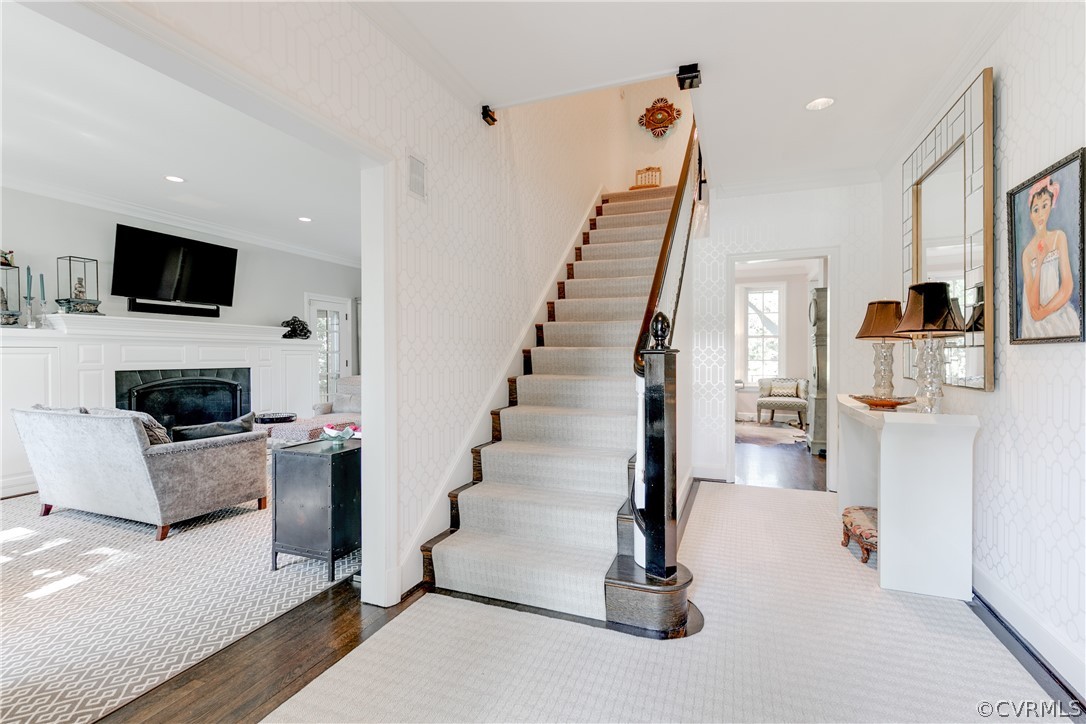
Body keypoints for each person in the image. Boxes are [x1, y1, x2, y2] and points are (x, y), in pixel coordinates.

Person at [1020, 176, 1080, 339]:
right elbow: (1033, 307)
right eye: (1036, 209)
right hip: (1035, 321)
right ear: (1031, 213)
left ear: (1051, 206)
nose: (1040, 214)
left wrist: (1045, 311)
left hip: (1056, 308)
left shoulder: (1059, 237)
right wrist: (1039, 264)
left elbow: (1067, 285)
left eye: (1044, 206)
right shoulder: (1027, 253)